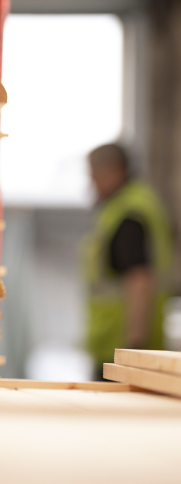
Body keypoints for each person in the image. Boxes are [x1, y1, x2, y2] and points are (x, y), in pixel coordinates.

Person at [84, 143, 174, 370]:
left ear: (114, 171)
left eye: (95, 175)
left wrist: (135, 348)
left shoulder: (129, 214)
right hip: (121, 348)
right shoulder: (132, 204)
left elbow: (139, 281)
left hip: (123, 350)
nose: (92, 183)